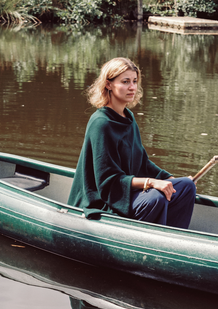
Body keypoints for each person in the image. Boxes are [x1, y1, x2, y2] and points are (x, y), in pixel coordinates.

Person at [68, 57, 196, 229]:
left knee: (186, 186)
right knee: (154, 198)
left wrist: (169, 178)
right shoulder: (101, 123)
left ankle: (173, 238)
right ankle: (151, 242)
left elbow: (142, 161)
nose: (132, 87)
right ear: (108, 84)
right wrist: (151, 183)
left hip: (127, 192)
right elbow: (108, 181)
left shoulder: (128, 118)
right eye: (125, 81)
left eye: (135, 81)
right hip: (104, 199)